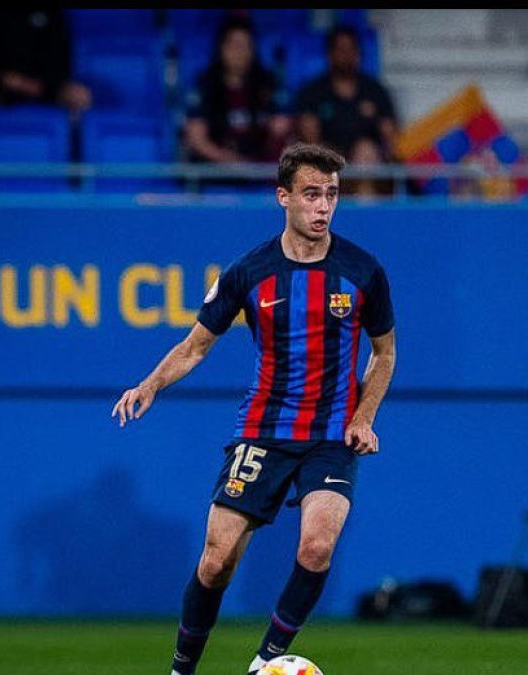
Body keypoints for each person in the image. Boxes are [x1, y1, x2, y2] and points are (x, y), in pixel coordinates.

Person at [111, 142, 397, 675]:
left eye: (332, 195)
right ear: (283, 196)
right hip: (264, 431)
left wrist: (364, 417)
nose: (323, 207)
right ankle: (182, 669)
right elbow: (196, 345)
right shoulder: (250, 272)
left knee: (316, 547)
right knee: (216, 563)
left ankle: (265, 663)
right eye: (312, 194)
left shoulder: (363, 271)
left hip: (332, 435)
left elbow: (384, 353)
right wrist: (150, 384)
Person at [183, 16, 290, 167]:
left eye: (247, 46)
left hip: (261, 171)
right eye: (234, 45)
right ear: (221, 48)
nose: (240, 52)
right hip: (216, 173)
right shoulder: (204, 85)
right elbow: (197, 140)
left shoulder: (269, 84)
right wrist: (238, 164)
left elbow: (283, 129)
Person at [294, 25, 397, 160]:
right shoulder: (313, 92)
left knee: (365, 150)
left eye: (351, 49)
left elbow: (390, 133)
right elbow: (308, 138)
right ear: (330, 53)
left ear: (359, 53)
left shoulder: (375, 90)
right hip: (326, 163)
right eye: (341, 49)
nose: (347, 55)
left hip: (367, 163)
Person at [0, 9, 92, 115]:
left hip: (45, 87)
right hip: (2, 85)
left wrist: (45, 84)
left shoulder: (53, 14)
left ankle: (72, 144)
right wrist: (9, 80)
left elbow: (61, 59)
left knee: (79, 96)